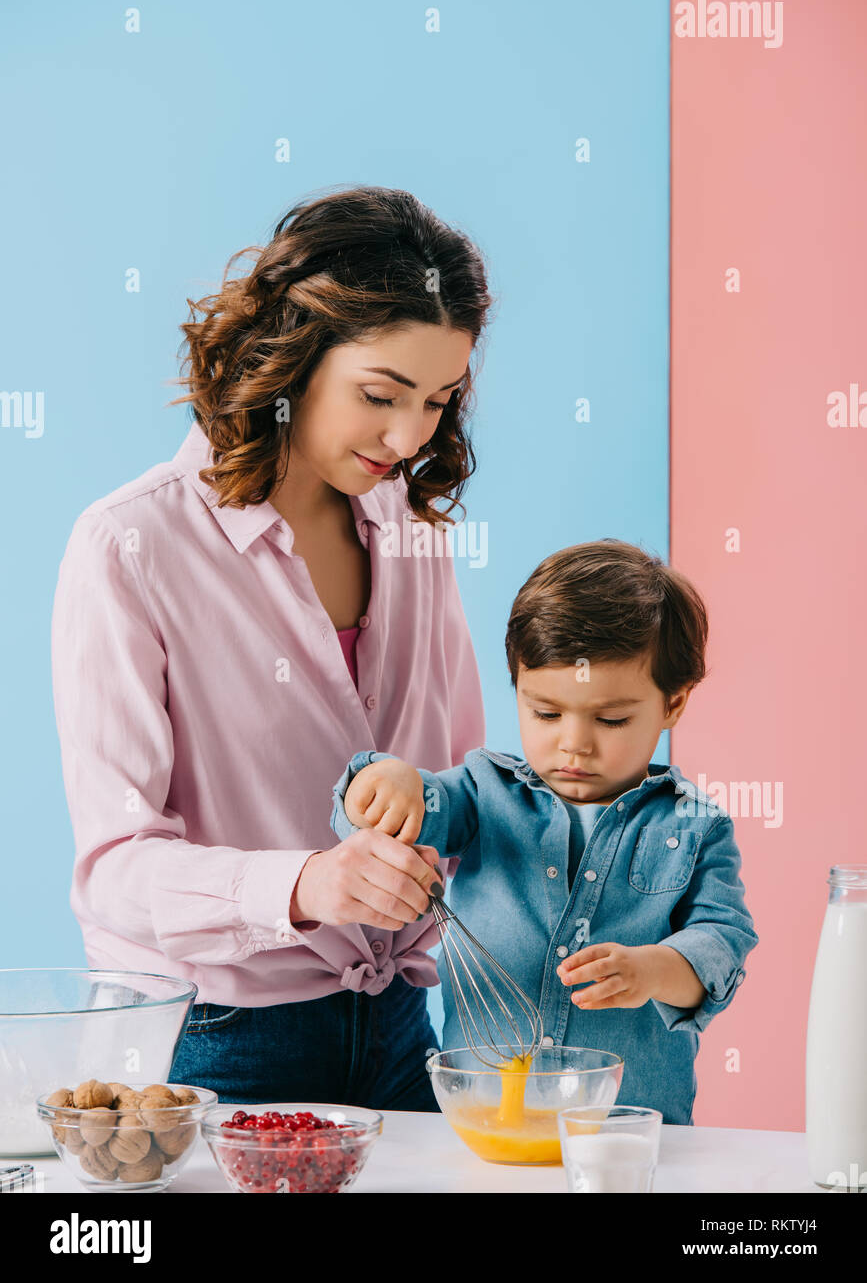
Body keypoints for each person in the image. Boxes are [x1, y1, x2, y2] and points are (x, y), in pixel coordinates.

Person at [50, 184, 495, 1109]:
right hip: (217, 1043)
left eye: (438, 400)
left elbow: (459, 785)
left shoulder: (412, 532)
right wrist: (307, 885)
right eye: (380, 394)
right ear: (293, 355)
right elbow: (114, 868)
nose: (409, 436)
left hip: (404, 1030)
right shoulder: (131, 544)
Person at [329, 539, 759, 1124]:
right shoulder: (482, 793)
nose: (573, 744)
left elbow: (722, 942)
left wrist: (653, 970)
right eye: (546, 713)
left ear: (673, 702)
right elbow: (414, 805)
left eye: (611, 719)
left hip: (626, 1128)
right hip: (484, 1123)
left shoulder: (694, 826)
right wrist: (385, 784)